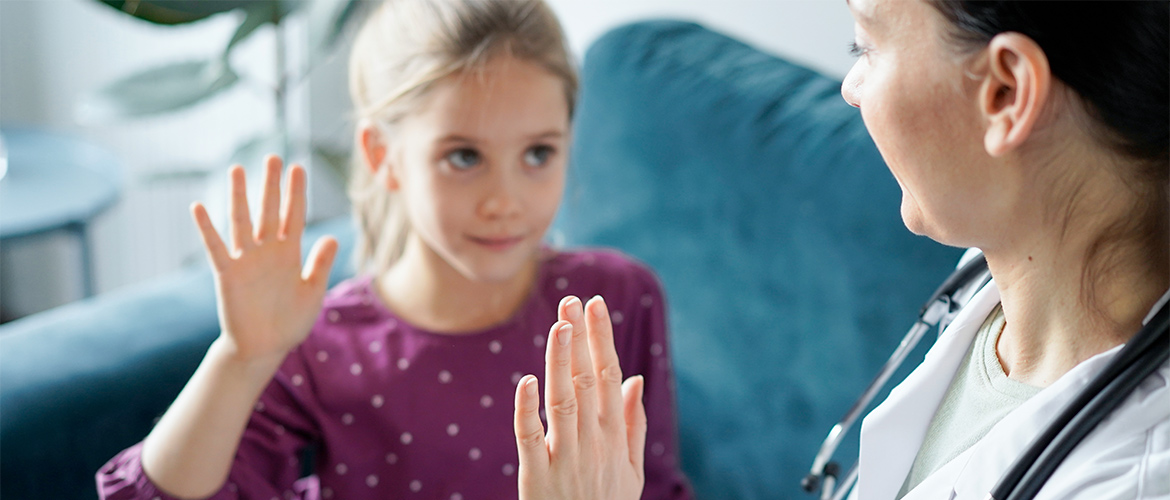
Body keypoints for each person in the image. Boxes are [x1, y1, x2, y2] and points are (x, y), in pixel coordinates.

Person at [511, 1, 1169, 499]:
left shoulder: (1127, 479)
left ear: (1006, 93)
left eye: (866, 44)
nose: (850, 88)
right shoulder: (995, 273)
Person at [95, 1, 692, 499]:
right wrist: (241, 358)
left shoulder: (617, 300)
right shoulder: (320, 343)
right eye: (464, 156)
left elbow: (656, 484)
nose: (504, 201)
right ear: (383, 156)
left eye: (538, 153)